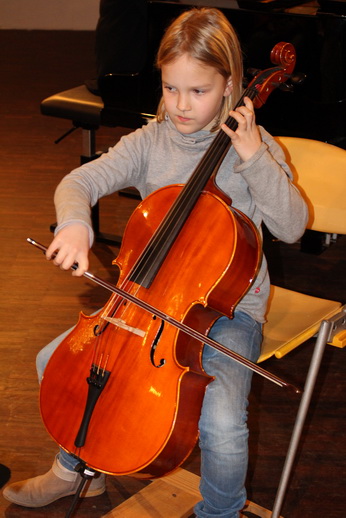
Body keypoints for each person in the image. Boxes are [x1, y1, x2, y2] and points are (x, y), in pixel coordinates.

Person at [3, 7, 308, 517]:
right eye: (170, 89)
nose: (181, 105)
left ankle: (220, 510)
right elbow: (78, 182)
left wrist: (255, 158)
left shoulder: (253, 147)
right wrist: (76, 224)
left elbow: (294, 226)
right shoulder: (150, 141)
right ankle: (75, 470)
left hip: (227, 313)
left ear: (230, 83)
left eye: (198, 91)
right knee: (56, 363)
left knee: (222, 420)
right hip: (145, 300)